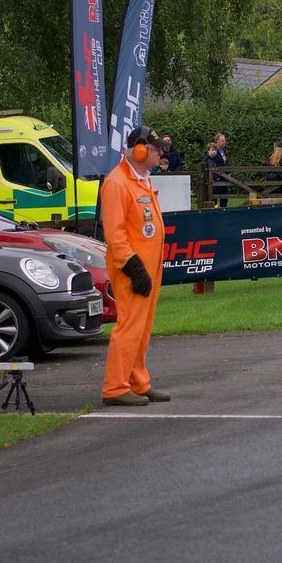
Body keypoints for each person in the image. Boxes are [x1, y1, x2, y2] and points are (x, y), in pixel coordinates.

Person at [100, 126, 171, 407]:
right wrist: (134, 268)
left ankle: (138, 382)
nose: (160, 154)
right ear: (139, 151)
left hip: (149, 267)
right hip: (132, 269)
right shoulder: (118, 183)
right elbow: (115, 235)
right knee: (129, 326)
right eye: (155, 149)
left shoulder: (141, 179)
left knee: (142, 327)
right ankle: (115, 386)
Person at [204, 132, 230, 207]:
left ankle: (224, 211)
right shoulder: (214, 154)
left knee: (225, 196)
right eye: (222, 141)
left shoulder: (224, 150)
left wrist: (228, 172)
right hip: (217, 178)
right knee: (214, 197)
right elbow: (215, 165)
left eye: (224, 140)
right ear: (217, 141)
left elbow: (226, 162)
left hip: (225, 177)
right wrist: (217, 176)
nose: (224, 142)